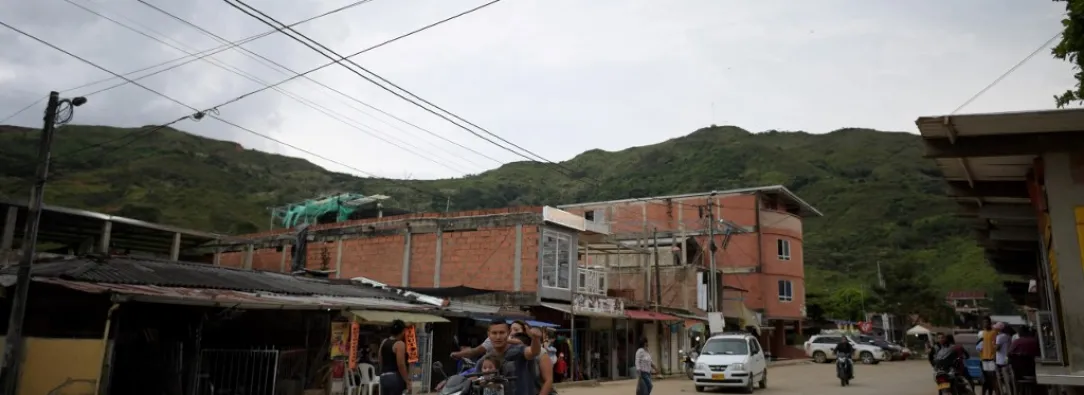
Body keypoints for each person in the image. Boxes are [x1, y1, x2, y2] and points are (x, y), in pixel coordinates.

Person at [378, 319, 411, 395]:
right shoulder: (399, 344)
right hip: (395, 377)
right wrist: (407, 381)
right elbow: (401, 364)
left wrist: (383, 372)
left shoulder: (384, 342)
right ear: (402, 331)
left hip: (384, 377)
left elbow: (380, 359)